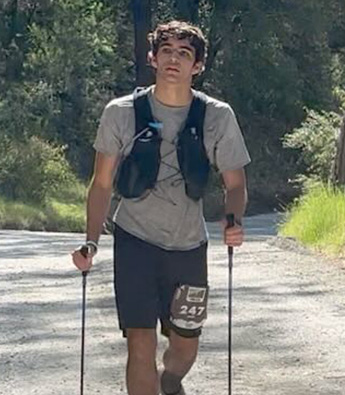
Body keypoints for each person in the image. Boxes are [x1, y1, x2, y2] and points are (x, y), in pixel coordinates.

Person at [71, 20, 250, 395]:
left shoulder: (218, 116)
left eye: (184, 53)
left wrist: (233, 220)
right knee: (140, 342)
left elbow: (235, 184)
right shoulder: (120, 113)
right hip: (134, 241)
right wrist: (91, 242)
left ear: (197, 66)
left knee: (184, 347)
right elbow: (102, 183)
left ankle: (169, 383)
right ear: (152, 57)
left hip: (188, 247)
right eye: (166, 50)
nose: (174, 59)